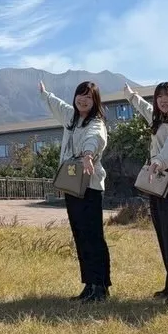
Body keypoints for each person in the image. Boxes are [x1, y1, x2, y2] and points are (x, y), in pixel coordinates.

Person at [124, 81, 168, 300]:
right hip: (160, 182)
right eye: (159, 96)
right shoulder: (160, 120)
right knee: (165, 235)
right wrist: (131, 96)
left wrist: (159, 161)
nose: (164, 100)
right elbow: (147, 110)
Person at [39, 79, 110, 302]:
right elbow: (57, 105)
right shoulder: (71, 117)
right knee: (80, 235)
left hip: (89, 186)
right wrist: (44, 93)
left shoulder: (96, 123)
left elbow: (95, 139)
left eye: (88, 96)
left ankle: (100, 286)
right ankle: (88, 285)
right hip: (72, 184)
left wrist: (88, 155)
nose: (83, 99)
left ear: (95, 100)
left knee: (93, 236)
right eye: (81, 95)